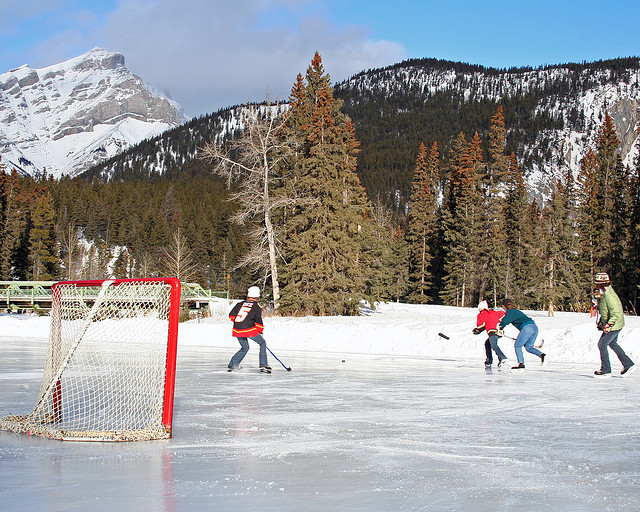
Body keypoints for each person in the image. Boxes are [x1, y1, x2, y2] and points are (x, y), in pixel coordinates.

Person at [593, 272, 634, 378]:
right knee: (612, 344)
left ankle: (606, 370)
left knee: (602, 344)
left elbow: (615, 312)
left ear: (601, 284)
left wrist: (609, 325)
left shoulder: (609, 295)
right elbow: (605, 309)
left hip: (614, 324)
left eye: (597, 283)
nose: (595, 285)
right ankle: (628, 364)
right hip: (613, 323)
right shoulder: (603, 293)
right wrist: (602, 321)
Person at [228, 286, 271, 373]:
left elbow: (231, 316)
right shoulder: (256, 306)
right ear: (257, 295)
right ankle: (263, 365)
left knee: (245, 347)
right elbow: (258, 319)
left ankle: (233, 365)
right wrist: (259, 331)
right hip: (249, 330)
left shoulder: (239, 304)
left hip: (237, 329)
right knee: (262, 342)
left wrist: (239, 324)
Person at [499, 298, 546, 370]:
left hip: (527, 327)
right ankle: (542, 355)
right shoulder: (516, 311)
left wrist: (500, 327)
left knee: (518, 345)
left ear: (505, 306)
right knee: (528, 347)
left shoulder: (510, 312)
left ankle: (521, 364)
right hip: (534, 327)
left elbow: (505, 321)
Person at [473, 300, 508, 369]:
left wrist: (477, 330)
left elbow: (481, 325)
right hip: (498, 331)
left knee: (493, 345)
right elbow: (504, 314)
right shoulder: (494, 312)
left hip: (492, 332)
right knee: (487, 344)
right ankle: (489, 361)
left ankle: (502, 357)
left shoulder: (482, 314)